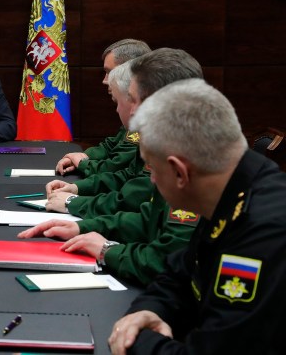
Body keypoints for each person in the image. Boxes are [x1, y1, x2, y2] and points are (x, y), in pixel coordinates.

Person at [109, 79, 286, 354]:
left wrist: (135, 340)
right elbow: (179, 272)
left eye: (152, 169)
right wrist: (146, 311)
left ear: (180, 172)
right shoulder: (232, 190)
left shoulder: (263, 232)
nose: (152, 180)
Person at [17, 49, 204, 285]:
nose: (129, 110)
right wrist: (83, 227)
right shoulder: (171, 143)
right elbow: (150, 220)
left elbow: (166, 261)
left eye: (133, 100)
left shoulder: (193, 157)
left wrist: (106, 250)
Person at [45, 48, 203, 218]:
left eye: (135, 100)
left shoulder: (185, 150)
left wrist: (74, 202)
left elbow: (132, 202)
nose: (133, 111)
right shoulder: (163, 139)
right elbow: (129, 180)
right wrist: (78, 189)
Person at [56, 39, 150, 176]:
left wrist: (82, 163)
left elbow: (118, 165)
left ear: (129, 72)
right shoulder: (133, 106)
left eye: (109, 72)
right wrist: (85, 156)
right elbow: (112, 145)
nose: (105, 80)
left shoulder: (143, 113)